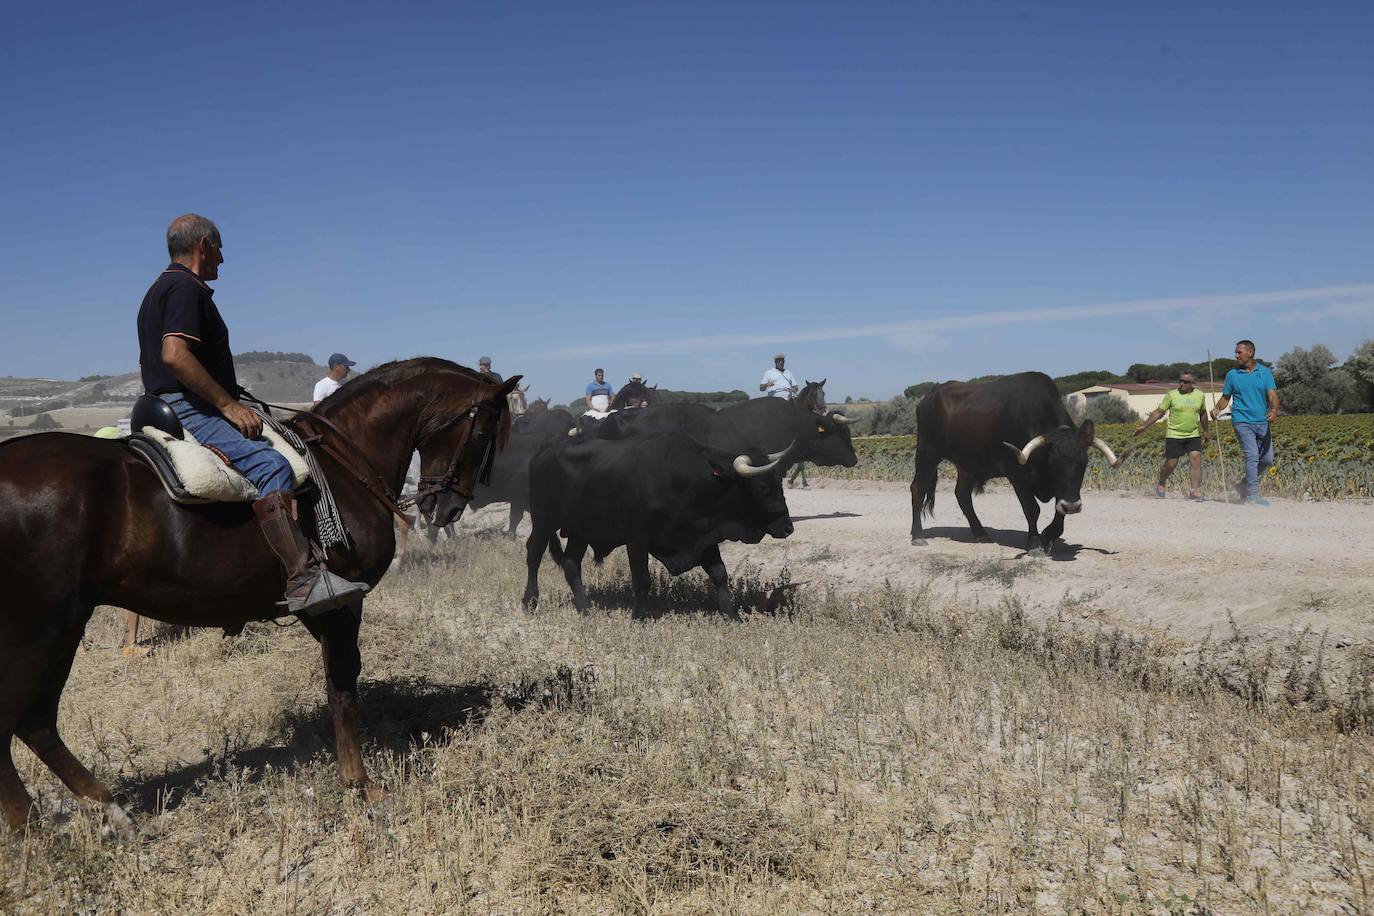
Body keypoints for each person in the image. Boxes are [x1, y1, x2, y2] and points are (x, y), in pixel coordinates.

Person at [137, 214, 368, 614]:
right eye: (220, 248)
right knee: (272, 466)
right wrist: (227, 404)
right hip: (190, 406)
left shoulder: (157, 290)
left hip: (166, 402)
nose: (222, 260)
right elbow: (174, 354)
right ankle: (302, 579)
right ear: (204, 245)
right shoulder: (185, 288)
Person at [1210, 339, 1280, 506]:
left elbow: (1272, 395)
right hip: (1242, 421)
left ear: (1250, 353)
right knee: (1252, 455)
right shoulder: (1232, 375)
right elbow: (1226, 398)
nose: (1236, 355)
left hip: (1262, 421)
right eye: (1236, 352)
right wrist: (1216, 409)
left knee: (1267, 460)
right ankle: (1253, 494)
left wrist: (1274, 410)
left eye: (1239, 352)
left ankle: (1243, 485)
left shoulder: (1265, 372)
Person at [1133, 371, 1209, 501]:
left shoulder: (1200, 395)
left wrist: (1206, 430)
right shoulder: (1171, 395)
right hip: (1174, 435)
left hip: (1193, 434)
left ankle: (1194, 490)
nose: (1181, 383)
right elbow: (1158, 412)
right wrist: (1144, 426)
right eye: (1180, 381)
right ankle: (1162, 482)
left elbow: (1203, 413)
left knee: (1195, 458)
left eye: (1185, 382)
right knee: (1171, 463)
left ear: (1193, 383)